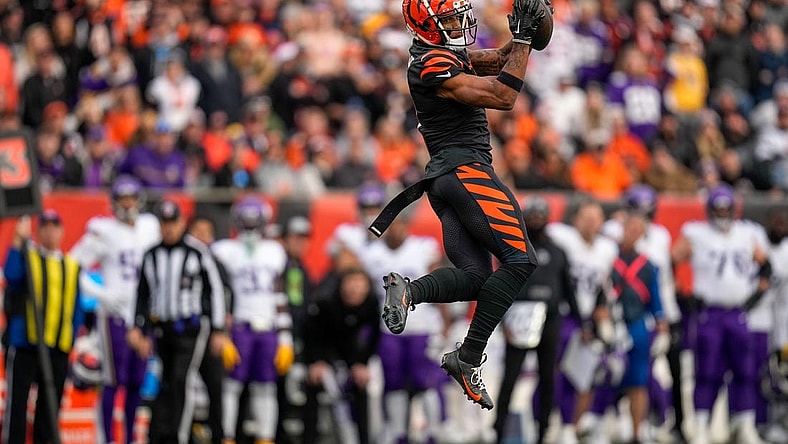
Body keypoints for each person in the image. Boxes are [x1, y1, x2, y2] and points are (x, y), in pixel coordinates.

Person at [369, 0, 547, 410]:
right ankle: (467, 357)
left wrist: (527, 33)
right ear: (425, 27)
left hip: (446, 180)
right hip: (465, 169)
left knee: (474, 278)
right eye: (447, 19)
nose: (457, 24)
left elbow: (500, 59)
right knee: (521, 261)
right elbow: (503, 96)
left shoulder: (439, 55)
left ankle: (408, 292)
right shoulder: (430, 62)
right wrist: (523, 38)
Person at [671, 184, 771, 444]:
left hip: (738, 312)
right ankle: (702, 428)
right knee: (707, 371)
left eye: (726, 208)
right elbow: (671, 261)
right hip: (710, 313)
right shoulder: (696, 233)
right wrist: (683, 294)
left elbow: (766, 267)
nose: (722, 213)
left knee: (745, 371)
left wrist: (755, 297)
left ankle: (745, 426)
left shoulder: (748, 233)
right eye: (718, 208)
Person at [68, 175, 161, 444]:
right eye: (123, 199)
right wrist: (102, 294)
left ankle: (131, 438)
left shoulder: (150, 226)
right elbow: (73, 266)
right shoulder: (103, 230)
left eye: (131, 198)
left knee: (135, 383)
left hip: (143, 318)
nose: (128, 204)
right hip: (114, 317)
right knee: (112, 381)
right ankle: (106, 438)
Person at [127, 200, 229, 444]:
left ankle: (179, 436)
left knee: (181, 378)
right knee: (166, 382)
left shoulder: (197, 251)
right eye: (165, 224)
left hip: (191, 329)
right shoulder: (151, 255)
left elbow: (214, 290)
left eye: (173, 223)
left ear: (182, 223)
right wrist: (138, 327)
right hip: (163, 329)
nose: (169, 229)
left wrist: (217, 328)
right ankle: (161, 435)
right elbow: (143, 294)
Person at [601, 184, 684, 441]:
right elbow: (602, 281)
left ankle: (647, 426)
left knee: (643, 376)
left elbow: (660, 286)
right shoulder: (610, 234)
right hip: (615, 317)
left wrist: (662, 320)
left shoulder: (658, 239)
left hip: (642, 318)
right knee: (608, 373)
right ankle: (604, 426)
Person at [210, 197, 294, 444]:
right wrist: (222, 332)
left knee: (266, 387)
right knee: (231, 387)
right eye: (244, 223)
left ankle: (265, 438)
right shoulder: (224, 250)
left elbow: (279, 294)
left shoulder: (274, 251)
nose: (248, 228)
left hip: (267, 327)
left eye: (253, 223)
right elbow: (220, 296)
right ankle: (226, 437)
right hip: (239, 326)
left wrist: (285, 336)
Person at [358, 212, 447, 443]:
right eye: (393, 224)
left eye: (401, 224)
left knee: (425, 381)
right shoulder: (372, 254)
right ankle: (397, 432)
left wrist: (444, 322)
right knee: (394, 381)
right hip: (388, 328)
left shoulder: (423, 247)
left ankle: (432, 432)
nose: (397, 229)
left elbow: (440, 284)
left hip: (421, 326)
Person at [493, 196, 572, 444]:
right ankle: (498, 428)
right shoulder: (511, 249)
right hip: (518, 317)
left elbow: (568, 288)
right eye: (532, 215)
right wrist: (502, 321)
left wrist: (584, 322)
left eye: (540, 215)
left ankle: (543, 430)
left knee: (547, 376)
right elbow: (500, 287)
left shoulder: (557, 251)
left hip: (549, 318)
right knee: (511, 376)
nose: (536, 220)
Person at [2, 211, 84, 444]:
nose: (50, 231)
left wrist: (72, 336)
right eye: (45, 227)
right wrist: (18, 240)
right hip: (26, 343)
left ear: (62, 231)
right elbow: (12, 275)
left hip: (57, 346)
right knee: (17, 405)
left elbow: (76, 305)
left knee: (49, 407)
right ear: (38, 231)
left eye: (54, 227)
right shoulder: (29, 257)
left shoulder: (71, 265)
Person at [590, 212, 668, 444]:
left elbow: (655, 298)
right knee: (606, 378)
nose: (632, 233)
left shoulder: (648, 265)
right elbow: (599, 292)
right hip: (612, 326)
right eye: (629, 228)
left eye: (637, 230)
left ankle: (637, 431)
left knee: (639, 380)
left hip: (637, 326)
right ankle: (600, 429)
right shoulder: (608, 260)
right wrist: (600, 317)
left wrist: (662, 326)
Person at [546, 200, 618, 444]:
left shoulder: (607, 249)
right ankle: (549, 423)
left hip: (585, 319)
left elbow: (601, 288)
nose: (590, 222)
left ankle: (573, 425)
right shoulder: (562, 238)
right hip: (560, 314)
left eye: (595, 217)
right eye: (585, 217)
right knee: (553, 372)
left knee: (584, 374)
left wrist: (599, 318)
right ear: (575, 219)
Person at [302, 267, 381, 444]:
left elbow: (373, 336)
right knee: (314, 383)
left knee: (361, 384)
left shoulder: (371, 304)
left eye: (361, 286)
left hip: (352, 355)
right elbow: (311, 333)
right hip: (324, 351)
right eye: (351, 285)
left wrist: (362, 363)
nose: (355, 291)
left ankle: (363, 439)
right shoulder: (326, 302)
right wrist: (317, 361)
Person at [187, 215, 231, 444]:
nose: (202, 236)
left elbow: (226, 295)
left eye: (207, 231)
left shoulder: (217, 263)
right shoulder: (181, 257)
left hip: (210, 333)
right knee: (181, 387)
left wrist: (220, 329)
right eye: (198, 231)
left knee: (215, 386)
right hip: (185, 335)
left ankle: (220, 436)